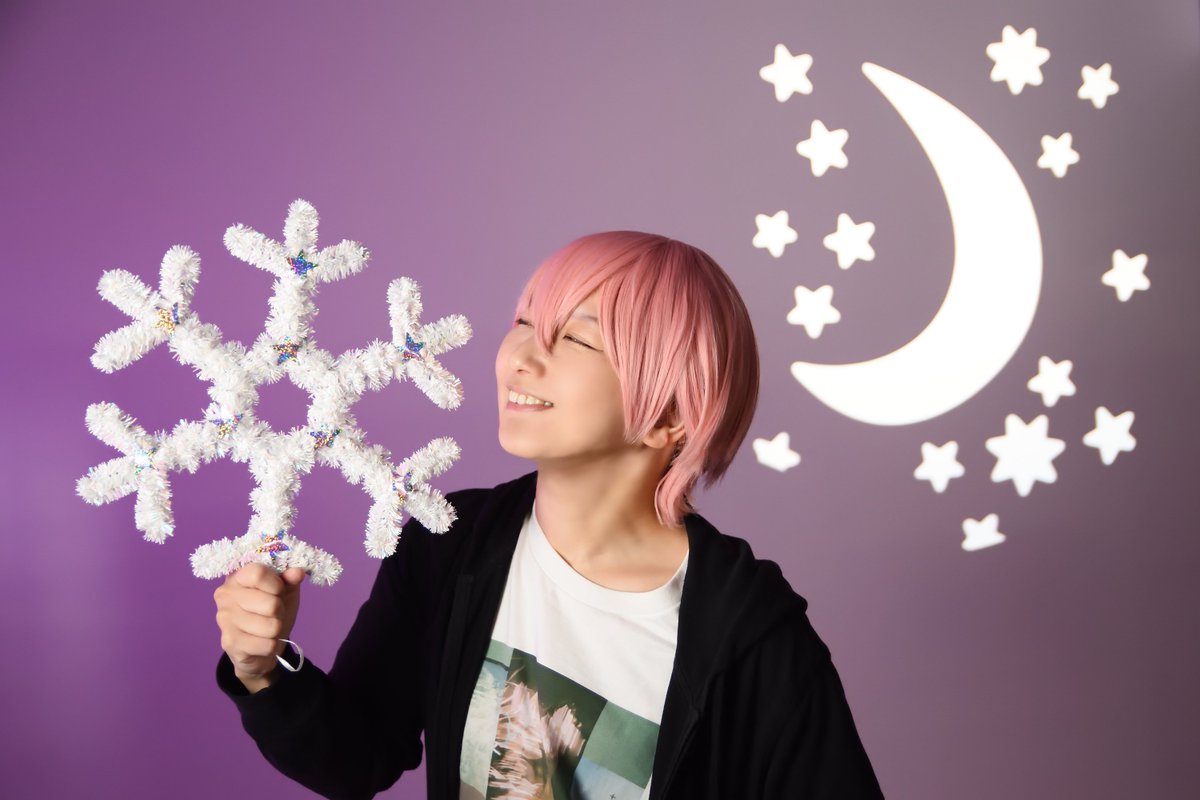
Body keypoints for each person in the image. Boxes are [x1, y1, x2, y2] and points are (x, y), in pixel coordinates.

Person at [213, 231, 883, 799]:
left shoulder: (751, 634)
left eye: (576, 340)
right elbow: (356, 755)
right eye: (524, 323)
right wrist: (263, 669)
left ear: (669, 416)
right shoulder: (449, 545)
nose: (521, 357)